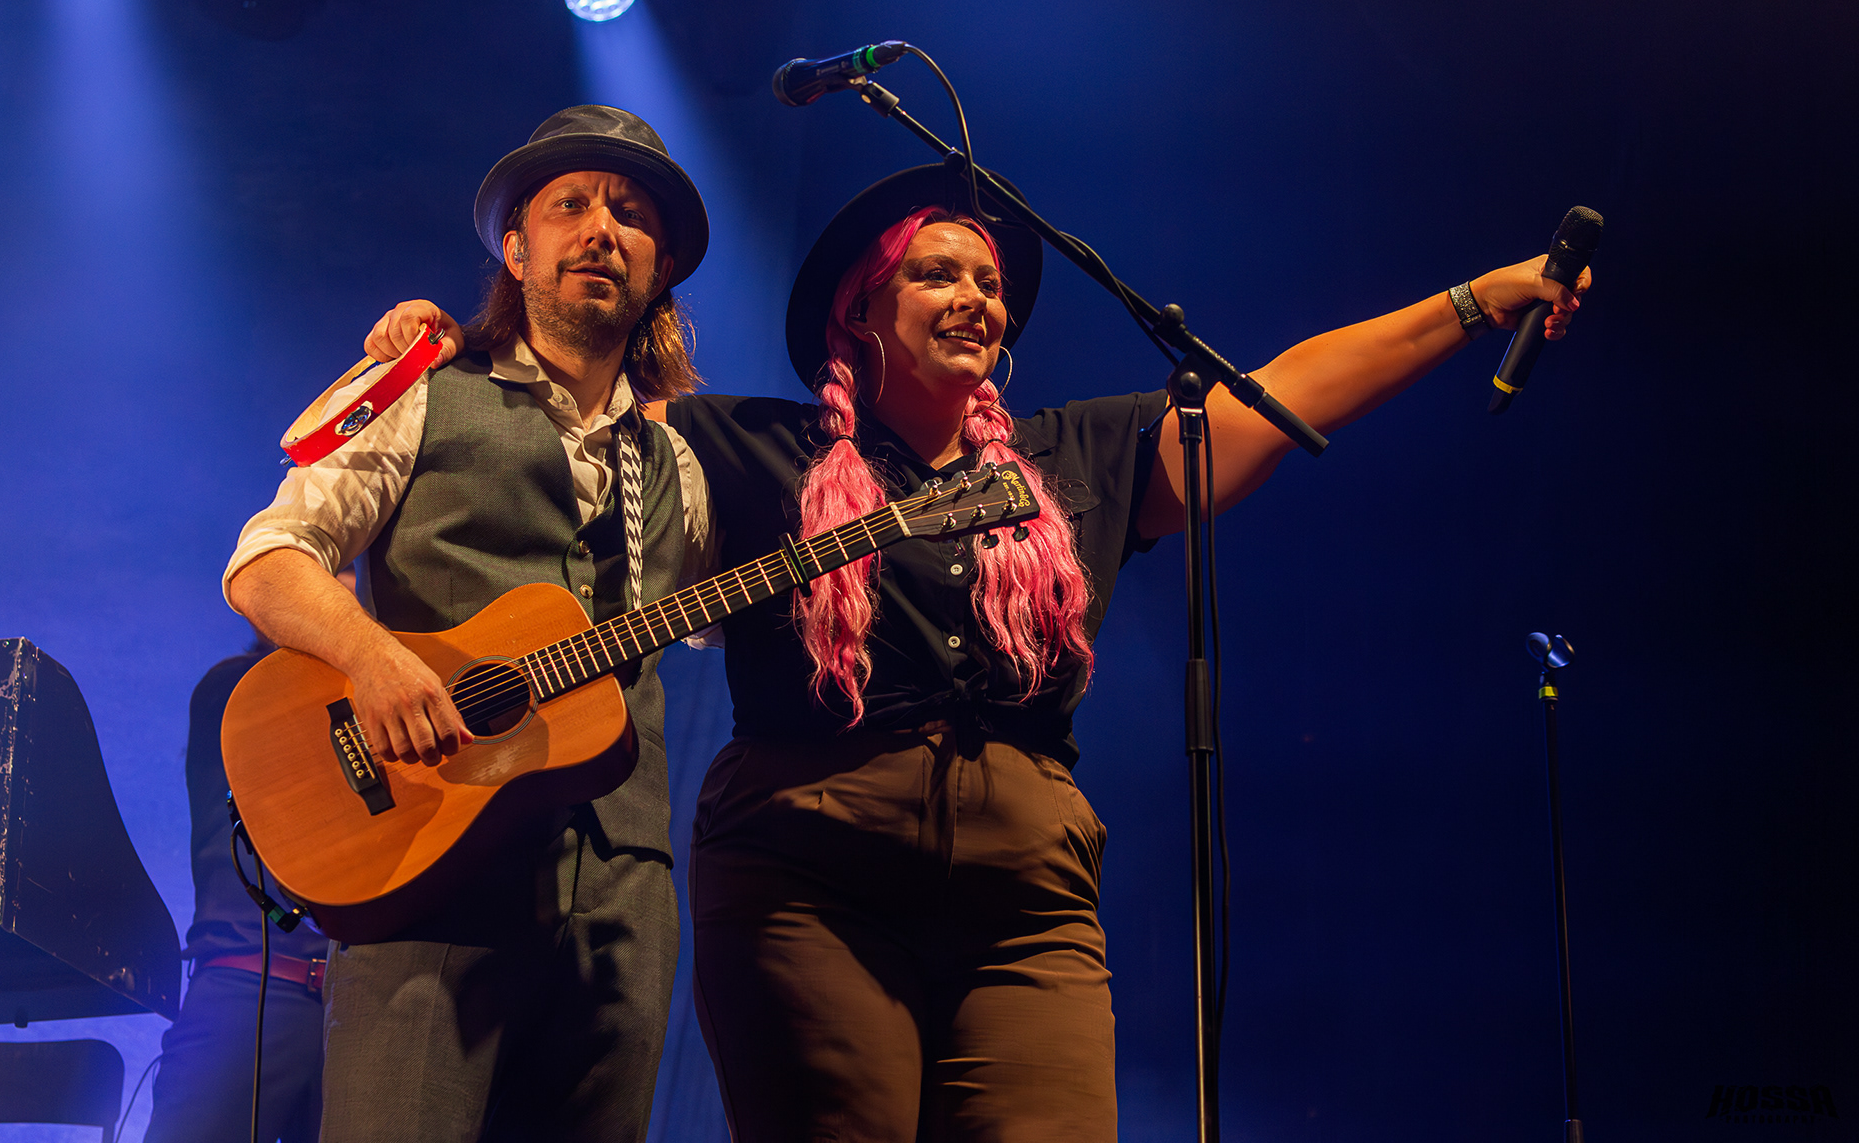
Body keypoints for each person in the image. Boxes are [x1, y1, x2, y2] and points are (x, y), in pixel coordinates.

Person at [367, 161, 1588, 1140]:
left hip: (1027, 894)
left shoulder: (1070, 458)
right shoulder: (750, 446)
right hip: (808, 877)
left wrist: (1475, 301)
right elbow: (567, 409)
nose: (975, 297)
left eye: (989, 282)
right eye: (936, 272)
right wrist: (446, 348)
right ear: (859, 310)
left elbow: (1276, 394)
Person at [223, 106, 719, 1143]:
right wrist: (373, 660)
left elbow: (761, 619)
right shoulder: (425, 390)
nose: (601, 229)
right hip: (424, 859)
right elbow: (267, 562)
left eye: (630, 215)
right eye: (571, 205)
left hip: (623, 898)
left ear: (662, 266)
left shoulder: (675, 464)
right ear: (517, 248)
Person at [143, 580, 353, 1143]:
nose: (326, 590)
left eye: (342, 574)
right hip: (247, 993)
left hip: (353, 1005)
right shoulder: (234, 687)